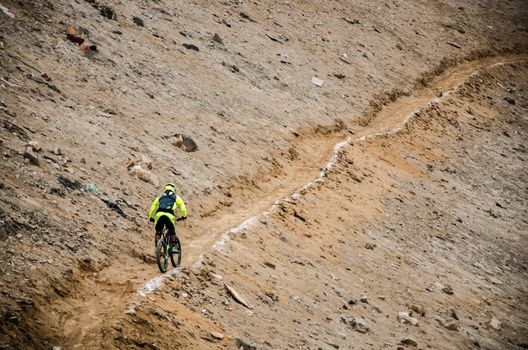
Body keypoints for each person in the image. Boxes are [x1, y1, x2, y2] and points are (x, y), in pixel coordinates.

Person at [148, 183, 187, 253]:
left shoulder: (160, 197)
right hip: (169, 215)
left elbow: (152, 208)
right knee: (172, 231)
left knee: (158, 232)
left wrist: (151, 217)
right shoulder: (176, 197)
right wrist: (184, 216)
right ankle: (174, 247)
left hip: (159, 214)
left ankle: (157, 248)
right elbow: (183, 208)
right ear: (174, 189)